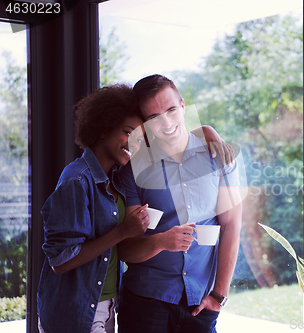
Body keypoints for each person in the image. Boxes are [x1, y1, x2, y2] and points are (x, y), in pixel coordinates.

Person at [37, 84, 231, 333]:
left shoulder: (115, 175)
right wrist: (123, 232)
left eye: (141, 139)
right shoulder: (77, 180)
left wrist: (206, 131)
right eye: (128, 133)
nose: (134, 144)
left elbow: (171, 136)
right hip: (78, 307)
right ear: (104, 127)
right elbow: (60, 261)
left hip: (107, 302)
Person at [117, 74, 243, 333]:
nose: (166, 123)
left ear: (183, 106)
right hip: (144, 302)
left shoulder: (219, 155)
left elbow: (231, 225)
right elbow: (125, 249)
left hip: (200, 304)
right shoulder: (134, 170)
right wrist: (160, 241)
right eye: (153, 118)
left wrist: (219, 295)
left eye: (172, 110)